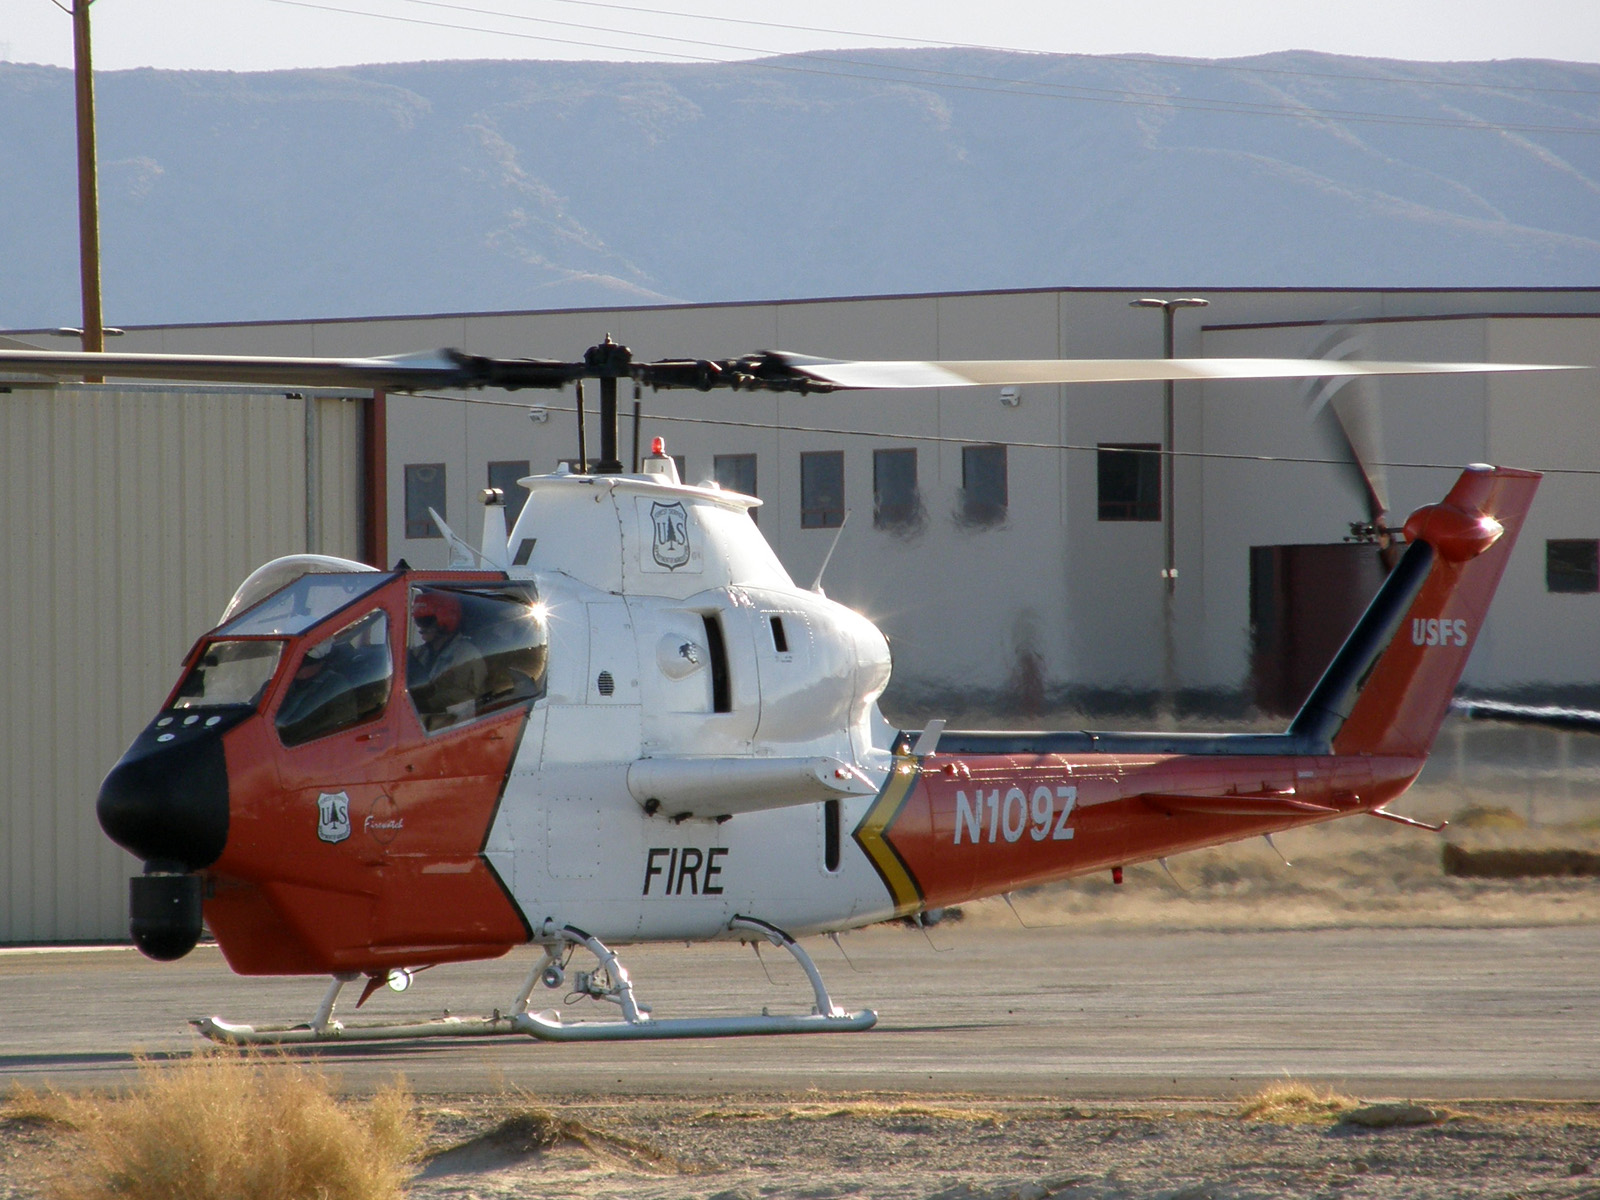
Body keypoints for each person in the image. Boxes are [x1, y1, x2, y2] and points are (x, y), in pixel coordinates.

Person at [408, 589, 486, 729]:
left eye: (426, 622)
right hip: (421, 725)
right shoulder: (421, 653)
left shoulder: (467, 655)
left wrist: (423, 701)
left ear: (445, 619)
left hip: (450, 729)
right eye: (418, 622)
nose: (421, 628)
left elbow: (462, 696)